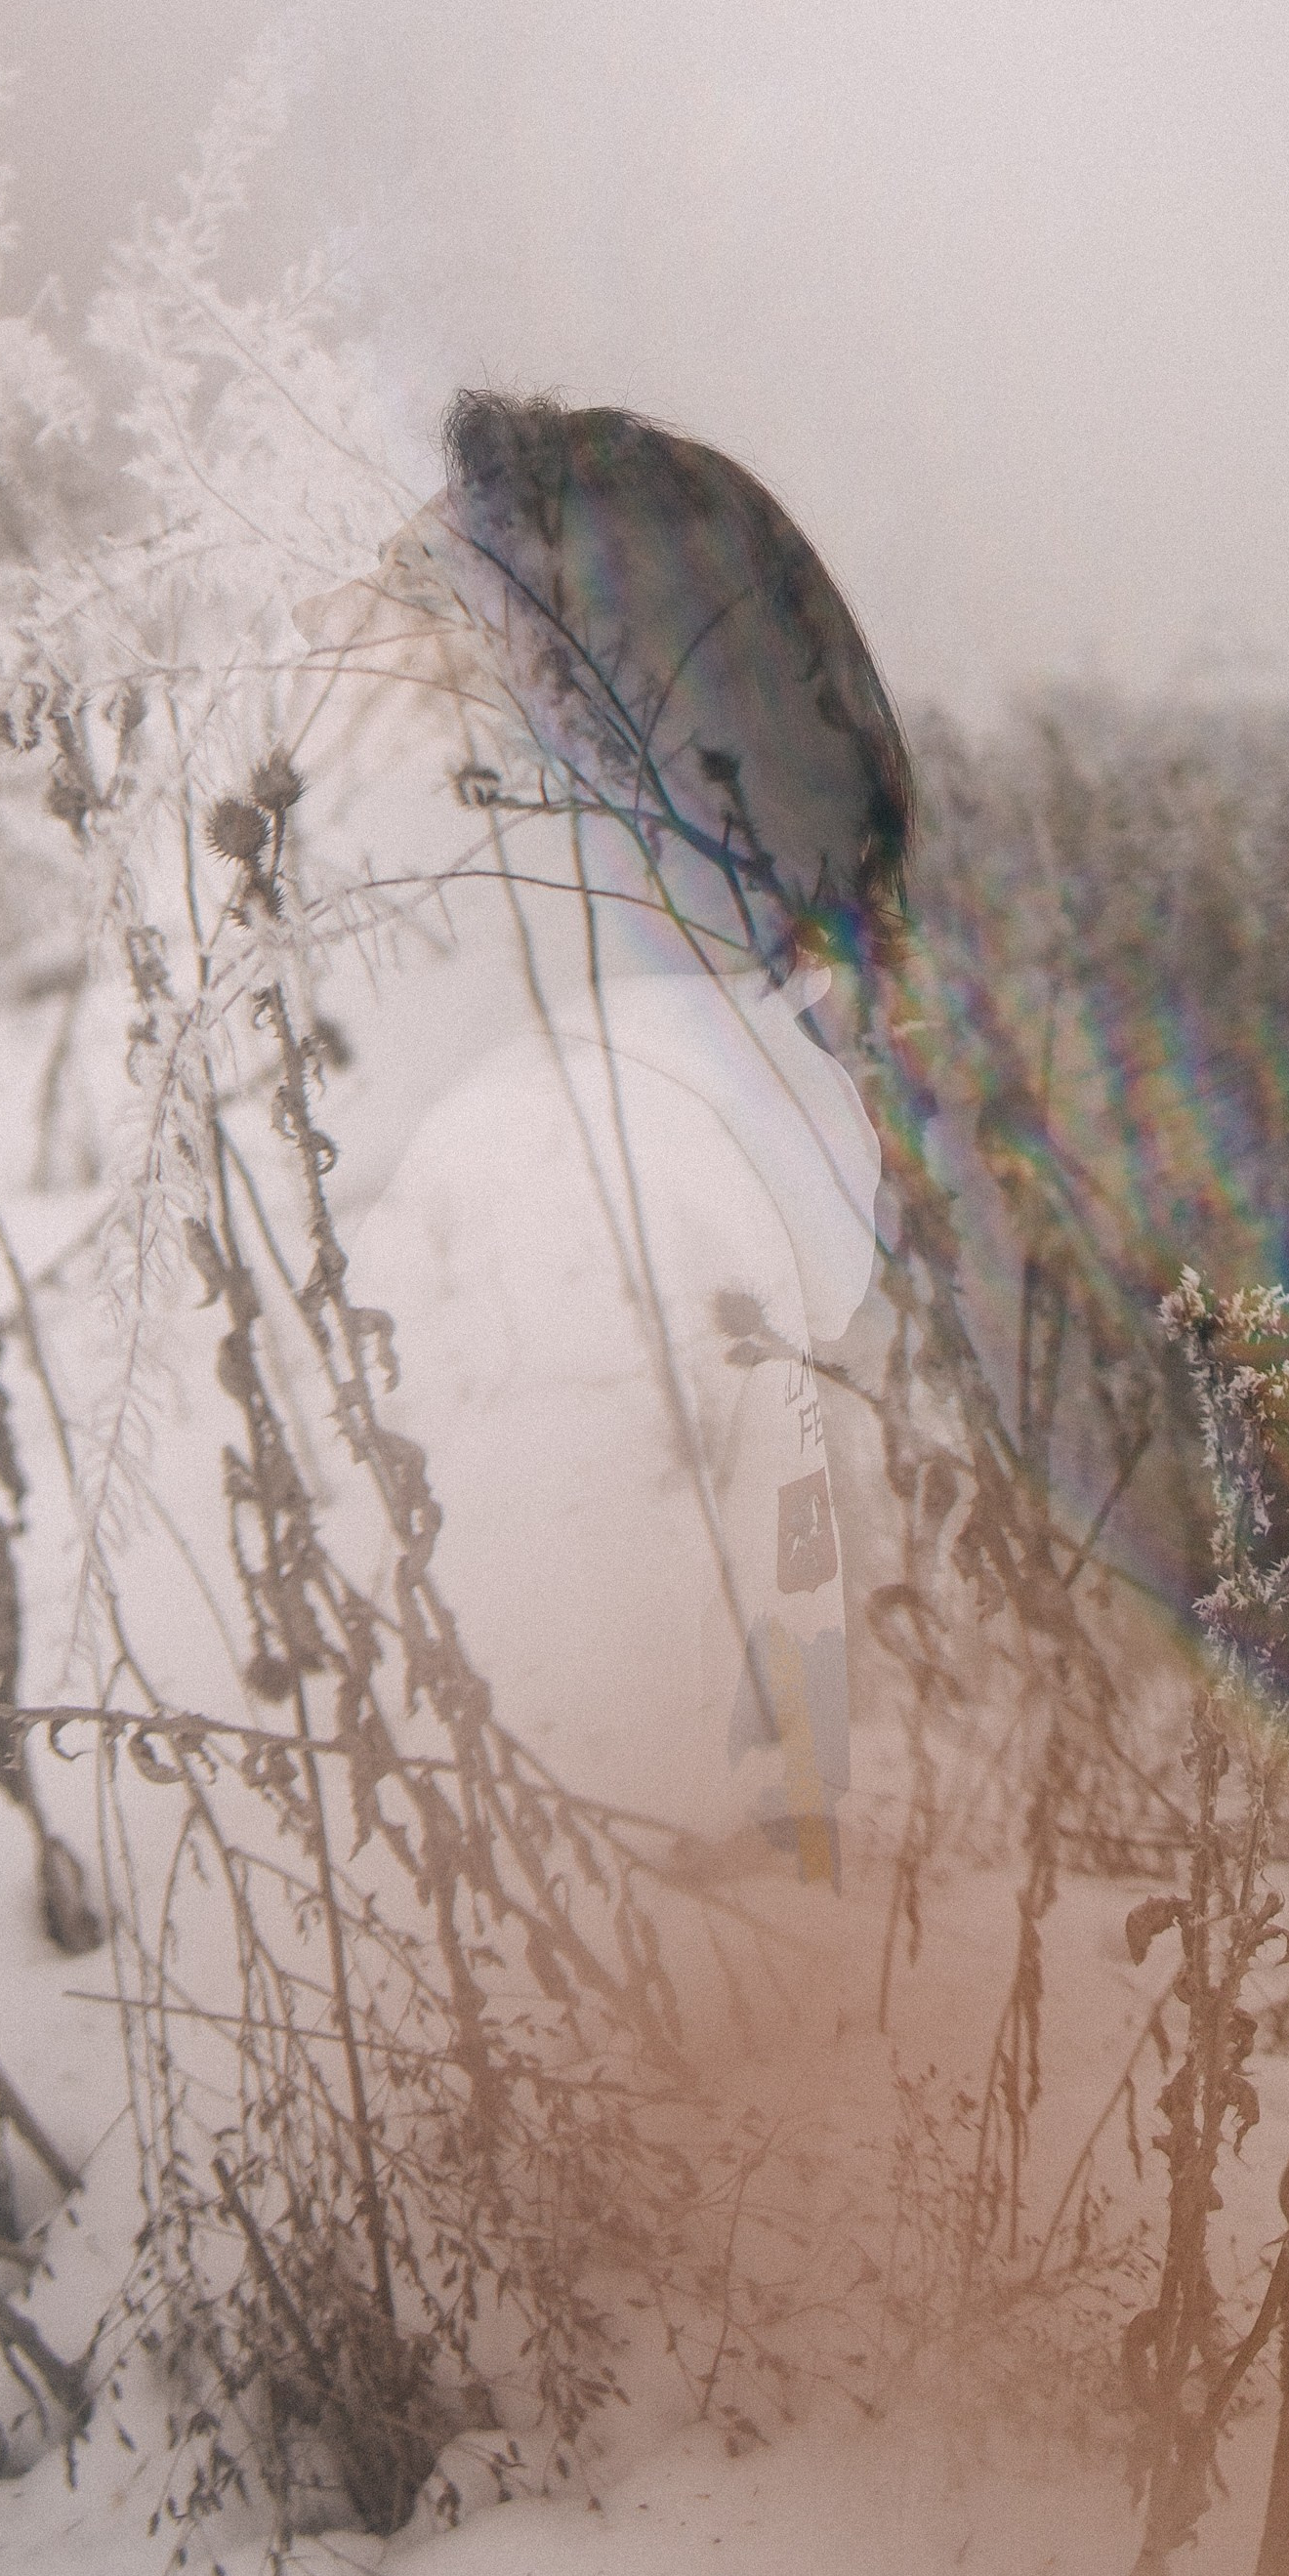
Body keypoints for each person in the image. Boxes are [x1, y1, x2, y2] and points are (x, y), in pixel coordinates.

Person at [293, 392, 913, 1892]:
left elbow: (408, 691)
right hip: (813, 966)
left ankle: (805, 1811)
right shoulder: (673, 505)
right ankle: (810, 1785)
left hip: (747, 1000)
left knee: (771, 1416)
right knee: (807, 1399)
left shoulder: (558, 554)